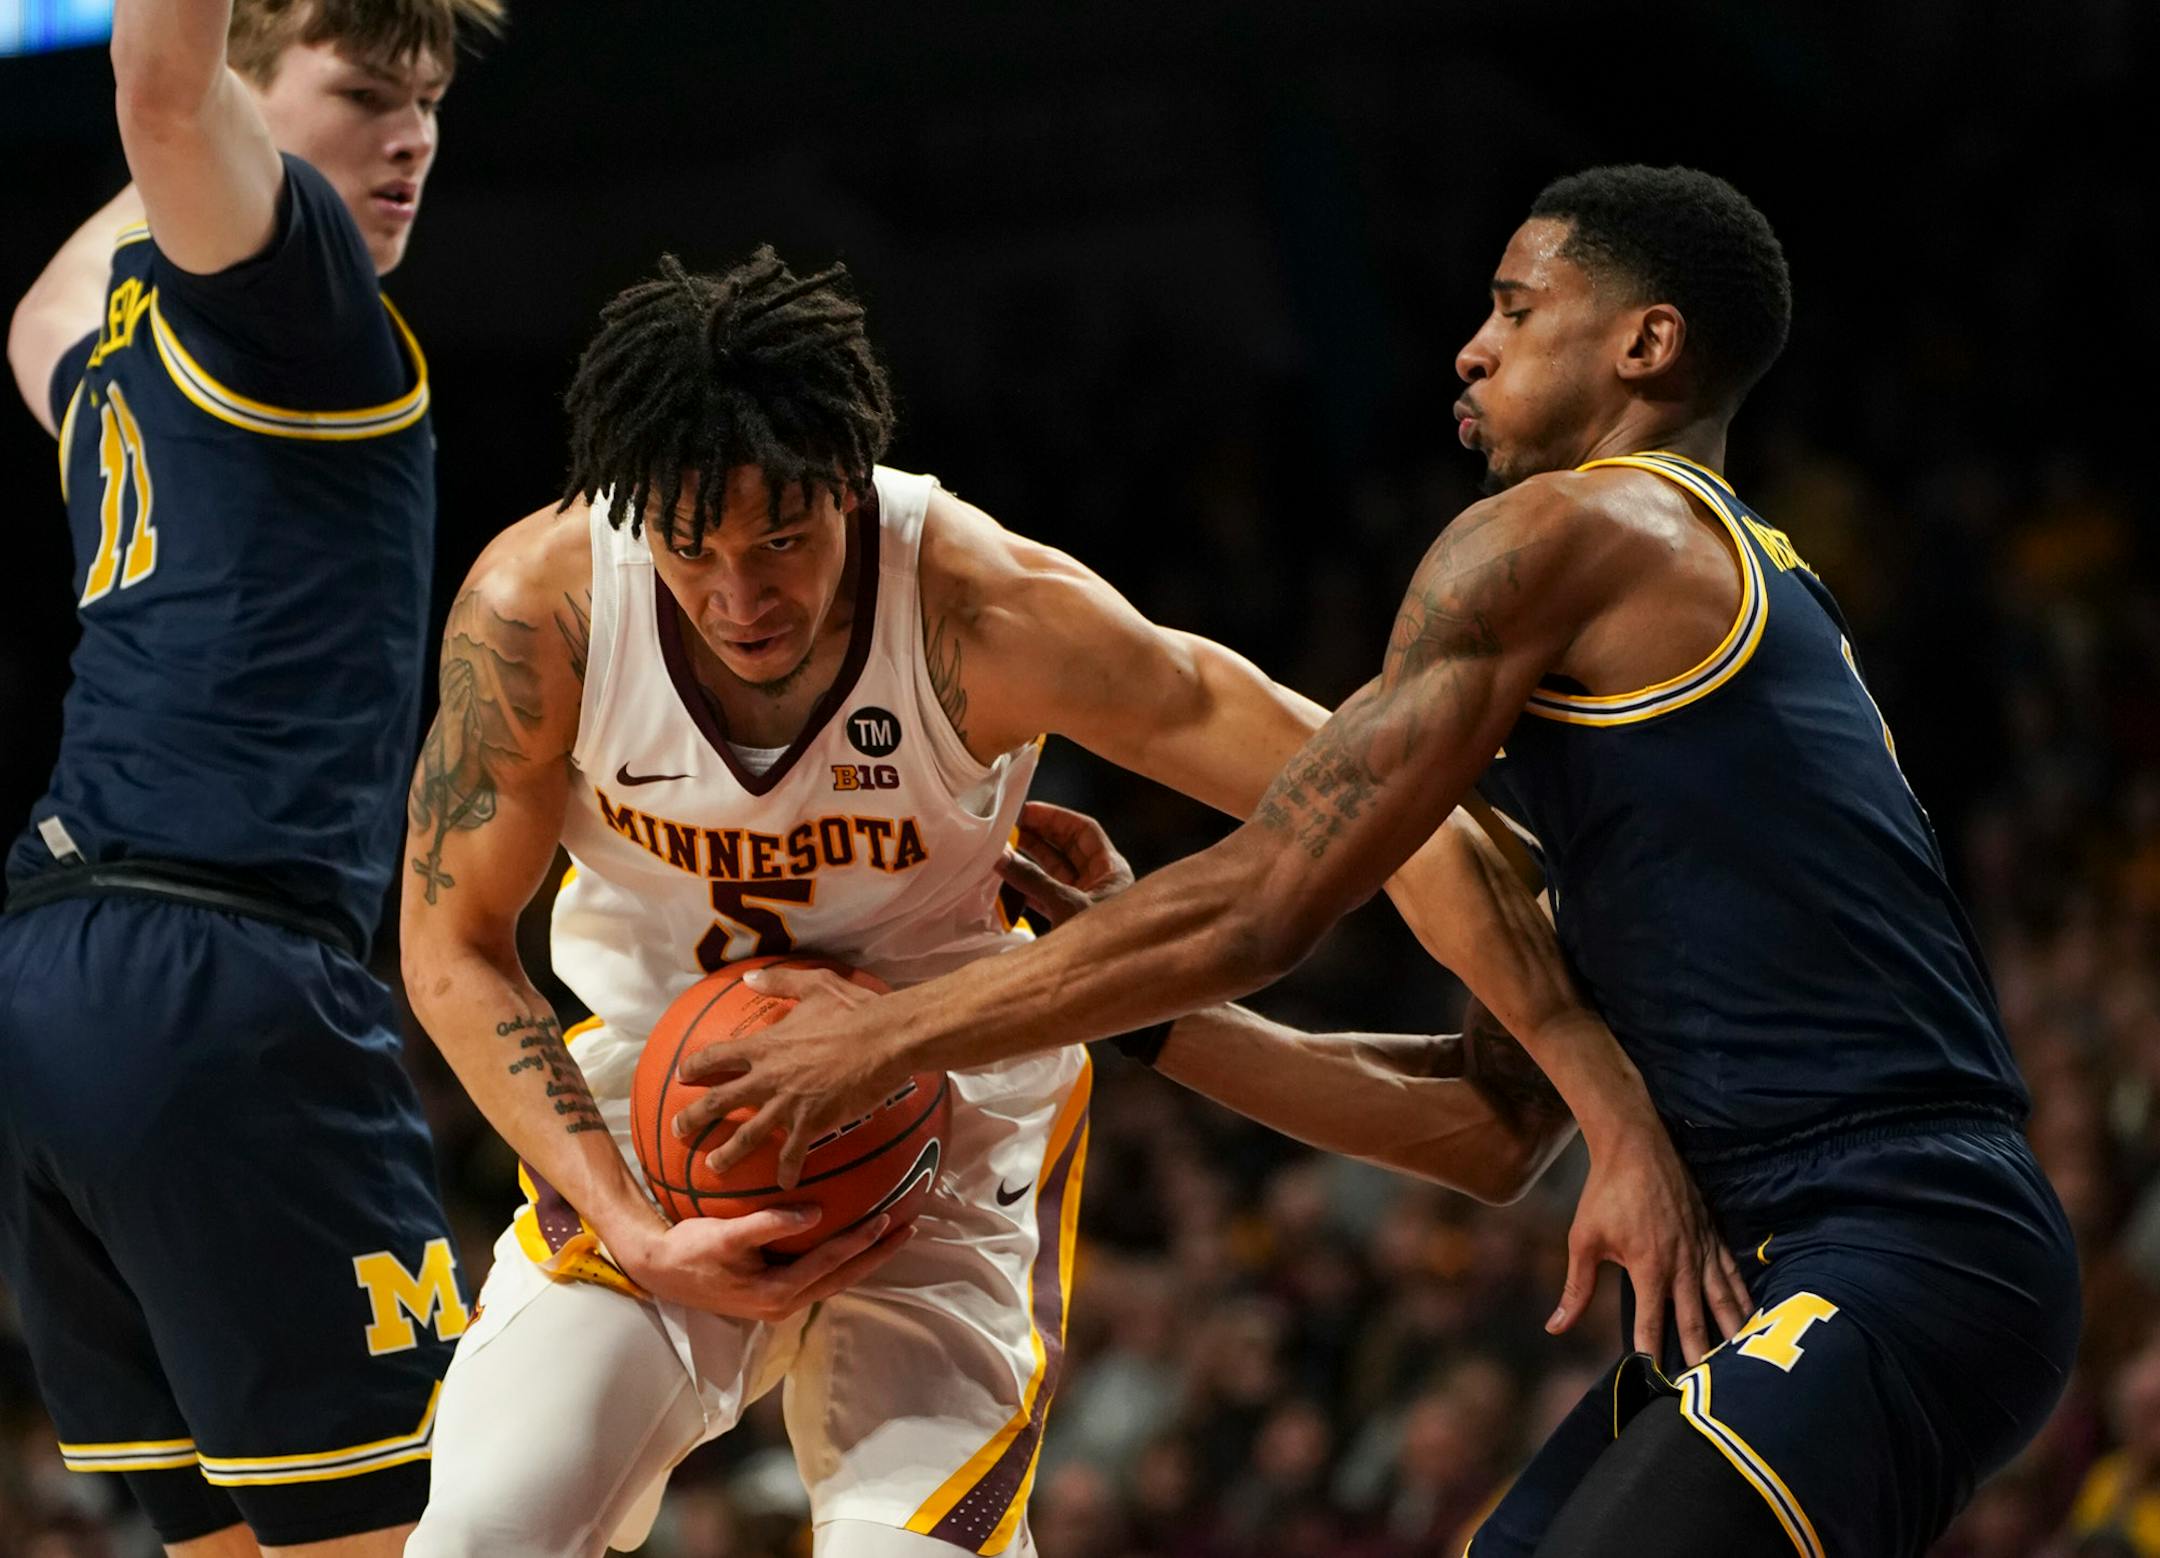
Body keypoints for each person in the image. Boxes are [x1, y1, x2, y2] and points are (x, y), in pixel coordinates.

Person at [681, 166, 2083, 1558]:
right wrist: (1138, 1012)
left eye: (1516, 309)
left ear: (1646, 344)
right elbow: (1488, 1128)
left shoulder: (1580, 531)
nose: (1471, 347)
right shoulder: (1650, 668)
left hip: (1897, 1226)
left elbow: (1264, 898)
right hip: (1764, 1262)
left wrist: (882, 1040)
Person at [396, 246, 1744, 1558]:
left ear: (851, 488)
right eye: (694, 552)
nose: (740, 597)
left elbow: (1396, 808)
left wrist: (1600, 1098)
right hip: (661, 1120)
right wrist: (633, 1226)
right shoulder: (541, 612)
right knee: (482, 1530)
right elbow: (451, 944)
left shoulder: (981, 610)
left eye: (784, 541)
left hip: (941, 1127)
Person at [0, 1, 500, 1551]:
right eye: (366, 93)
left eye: (430, 101)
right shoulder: (302, 294)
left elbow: (35, 313)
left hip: (51, 979)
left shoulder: (121, 351)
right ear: (245, 97)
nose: (410, 137)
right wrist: (199, 110)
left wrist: (208, 129)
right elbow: (161, 86)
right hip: (225, 983)